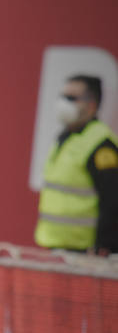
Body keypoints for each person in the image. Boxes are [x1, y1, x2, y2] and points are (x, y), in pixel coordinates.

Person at [35, 75, 118, 256]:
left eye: (72, 98)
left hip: (86, 253)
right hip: (57, 246)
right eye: (63, 96)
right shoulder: (66, 137)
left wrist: (104, 246)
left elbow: (112, 200)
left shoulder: (101, 144)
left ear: (92, 104)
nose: (63, 103)